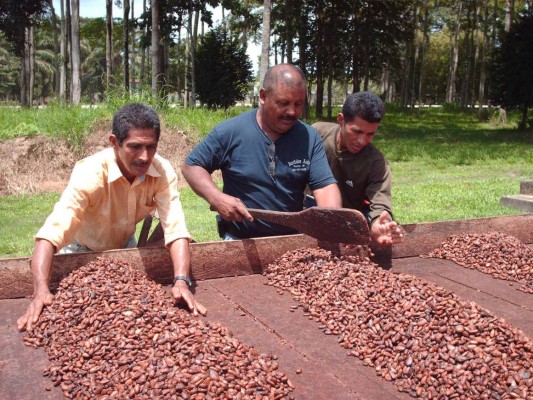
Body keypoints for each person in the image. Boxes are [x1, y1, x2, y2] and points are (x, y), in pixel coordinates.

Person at [17, 103, 206, 332]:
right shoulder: (91, 173)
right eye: (134, 147)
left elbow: (175, 227)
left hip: (125, 249)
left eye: (151, 147)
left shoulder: (162, 171)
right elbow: (52, 232)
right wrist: (40, 291)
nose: (144, 157)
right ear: (114, 142)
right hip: (80, 253)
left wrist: (181, 281)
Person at [182, 63, 341, 240]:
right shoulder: (231, 131)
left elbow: (325, 187)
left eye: (299, 104)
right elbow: (192, 166)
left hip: (291, 240)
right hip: (239, 240)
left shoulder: (308, 137)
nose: (292, 112)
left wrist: (333, 222)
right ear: (263, 96)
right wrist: (216, 197)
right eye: (283, 103)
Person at [311, 92, 403, 247]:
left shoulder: (376, 163)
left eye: (370, 134)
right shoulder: (316, 135)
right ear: (341, 120)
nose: (362, 141)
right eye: (357, 131)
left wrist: (380, 225)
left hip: (346, 229)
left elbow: (380, 204)